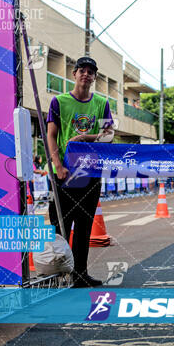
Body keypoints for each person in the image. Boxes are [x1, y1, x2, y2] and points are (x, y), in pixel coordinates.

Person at [46, 56, 114, 288]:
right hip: (64, 173)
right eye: (82, 70)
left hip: (90, 174)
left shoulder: (101, 104)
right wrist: (57, 165)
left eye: (90, 72)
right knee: (60, 225)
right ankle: (56, 276)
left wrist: (85, 136)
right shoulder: (59, 102)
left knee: (84, 226)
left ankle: (80, 275)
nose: (86, 74)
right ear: (74, 74)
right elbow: (51, 135)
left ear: (94, 77)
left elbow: (109, 135)